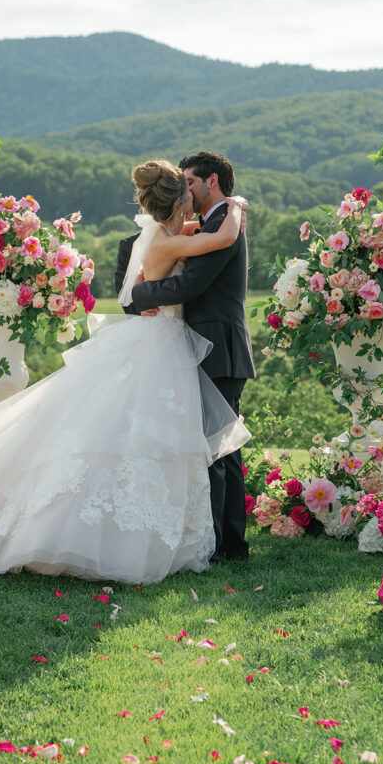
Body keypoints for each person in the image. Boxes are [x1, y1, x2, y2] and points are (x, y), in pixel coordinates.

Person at [0, 159, 250, 585]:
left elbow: (195, 249)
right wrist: (236, 206)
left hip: (168, 345)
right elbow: (221, 240)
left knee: (148, 440)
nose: (193, 196)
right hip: (162, 346)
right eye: (188, 191)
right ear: (179, 200)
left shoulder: (170, 235)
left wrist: (149, 282)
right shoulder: (169, 240)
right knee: (142, 439)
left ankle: (189, 531)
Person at [131, 151, 255, 562]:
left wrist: (140, 294)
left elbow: (191, 285)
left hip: (217, 348)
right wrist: (138, 294)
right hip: (197, 346)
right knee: (218, 448)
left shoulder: (222, 222)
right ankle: (227, 544)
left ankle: (222, 544)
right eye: (181, 183)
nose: (186, 188)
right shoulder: (202, 225)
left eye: (190, 180)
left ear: (212, 181)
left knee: (217, 449)